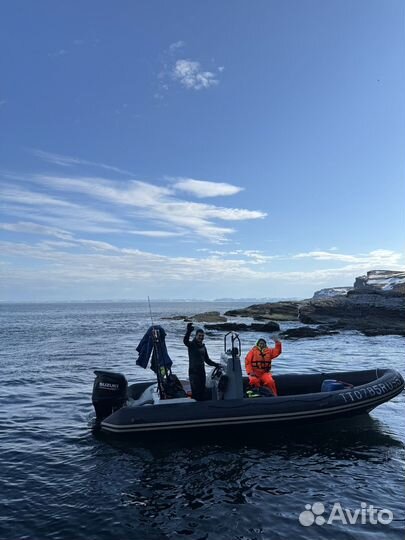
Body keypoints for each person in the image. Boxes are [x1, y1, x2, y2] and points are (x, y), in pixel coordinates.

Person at [183, 323, 220, 401]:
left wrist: (216, 364)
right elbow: (185, 341)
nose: (201, 337)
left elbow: (207, 360)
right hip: (193, 373)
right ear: (196, 336)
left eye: (202, 336)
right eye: (199, 336)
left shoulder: (203, 346)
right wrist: (188, 331)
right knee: (196, 393)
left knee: (202, 391)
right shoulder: (192, 345)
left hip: (201, 372)